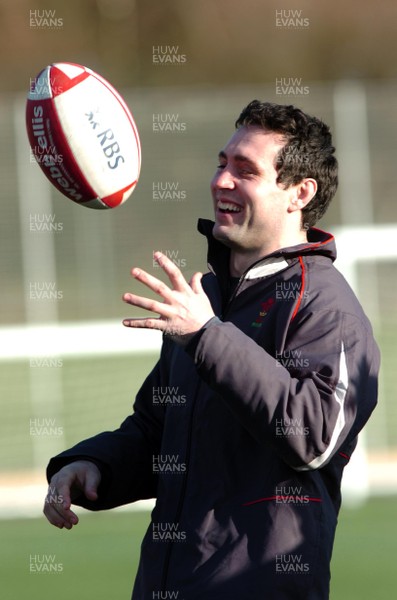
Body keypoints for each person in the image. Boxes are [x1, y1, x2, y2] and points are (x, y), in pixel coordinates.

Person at [44, 100, 380, 599]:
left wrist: (207, 336)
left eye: (245, 170)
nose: (222, 180)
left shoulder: (326, 305)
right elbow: (161, 433)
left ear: (299, 193)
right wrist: (94, 466)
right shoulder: (208, 298)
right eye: (222, 163)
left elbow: (314, 435)